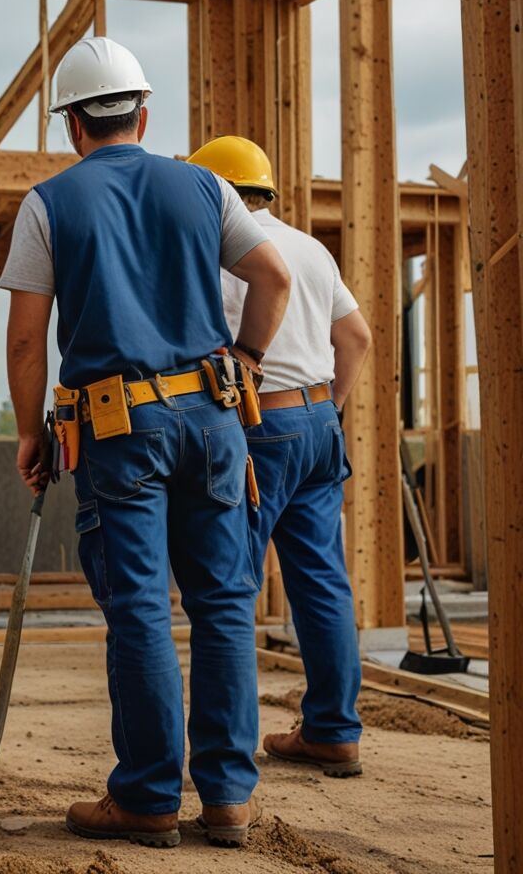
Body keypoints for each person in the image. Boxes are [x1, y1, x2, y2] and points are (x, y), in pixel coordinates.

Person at [0, 37, 291, 848]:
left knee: (139, 612)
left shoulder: (49, 203)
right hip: (214, 423)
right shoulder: (203, 186)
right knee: (225, 605)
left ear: (70, 127)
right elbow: (274, 278)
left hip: (122, 432)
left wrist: (30, 432)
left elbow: (28, 342)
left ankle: (149, 798)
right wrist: (247, 361)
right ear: (145, 112)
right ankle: (228, 798)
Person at [188, 135, 373, 778]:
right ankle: (333, 731)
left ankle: (229, 761)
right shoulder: (311, 248)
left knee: (229, 584)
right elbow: (356, 337)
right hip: (320, 420)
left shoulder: (217, 252)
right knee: (321, 579)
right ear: (264, 190)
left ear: (211, 191)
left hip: (259, 423)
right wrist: (327, 410)